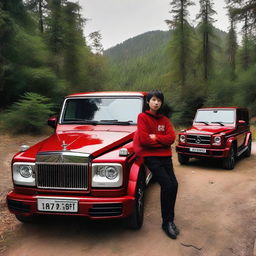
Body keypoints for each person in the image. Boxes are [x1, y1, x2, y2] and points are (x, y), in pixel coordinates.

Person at [133, 90, 179, 239]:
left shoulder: (164, 120)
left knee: (174, 185)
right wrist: (162, 141)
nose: (156, 102)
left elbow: (172, 138)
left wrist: (156, 138)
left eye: (159, 100)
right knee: (167, 185)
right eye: (153, 100)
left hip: (165, 157)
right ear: (148, 102)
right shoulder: (142, 117)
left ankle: (170, 220)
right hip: (151, 157)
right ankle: (167, 222)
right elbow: (144, 140)